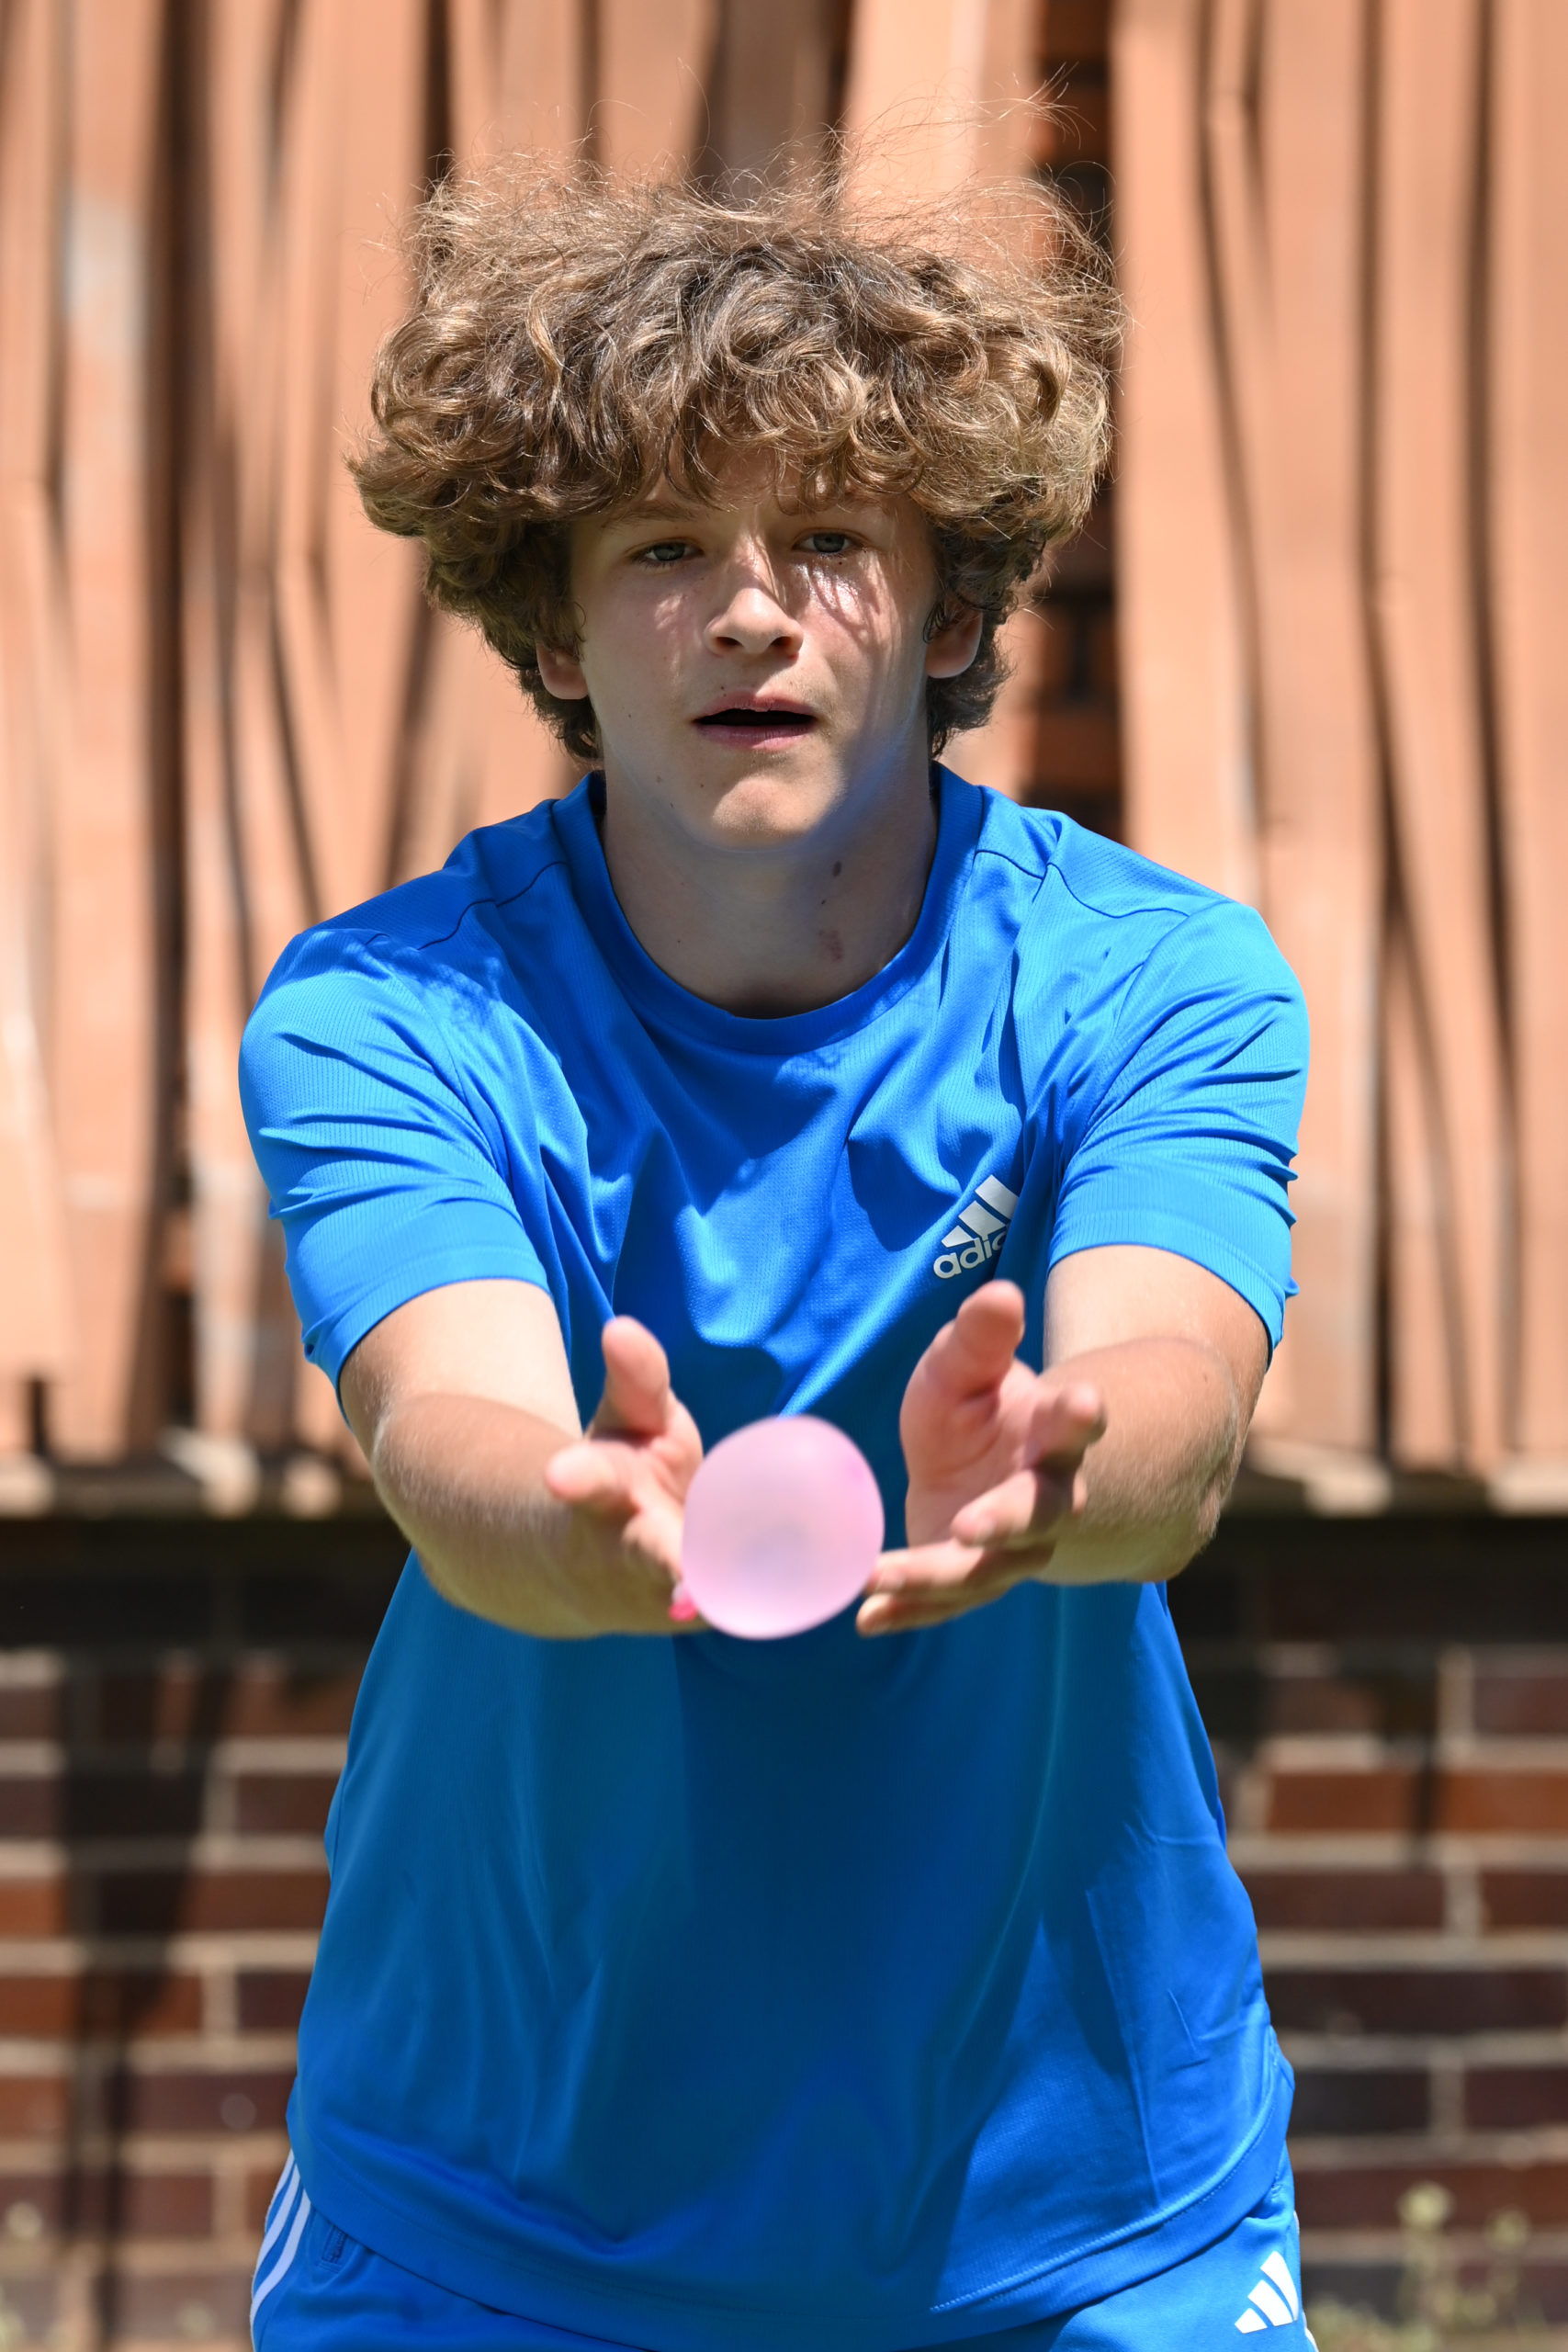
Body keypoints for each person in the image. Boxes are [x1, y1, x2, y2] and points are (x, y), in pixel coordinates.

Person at [240, 153, 1313, 2350]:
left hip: (1075, 2218)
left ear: (945, 609)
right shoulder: (387, 1010)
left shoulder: (1151, 980)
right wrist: (569, 1516)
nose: (750, 610)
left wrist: (1055, 1474)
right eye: (662, 547)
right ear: (553, 629)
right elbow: (445, 1425)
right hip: (492, 2212)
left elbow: (1174, 1410)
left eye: (829, 539)